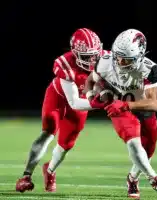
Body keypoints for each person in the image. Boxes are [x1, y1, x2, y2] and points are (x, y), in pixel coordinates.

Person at [85, 29, 157, 199]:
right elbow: (90, 81)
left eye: (125, 59)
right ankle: (155, 179)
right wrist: (93, 95)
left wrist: (126, 105)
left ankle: (132, 178)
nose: (119, 62)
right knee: (134, 142)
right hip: (117, 107)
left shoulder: (148, 69)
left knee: (148, 149)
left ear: (139, 56)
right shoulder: (105, 62)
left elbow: (155, 104)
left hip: (140, 107)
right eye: (117, 56)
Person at [15, 28, 106, 192]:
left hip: (83, 100)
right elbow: (74, 103)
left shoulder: (108, 59)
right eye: (87, 56)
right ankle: (26, 176)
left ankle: (50, 171)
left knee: (67, 144)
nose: (92, 60)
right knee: (48, 131)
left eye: (95, 54)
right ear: (75, 53)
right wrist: (103, 103)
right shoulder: (65, 64)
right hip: (59, 98)